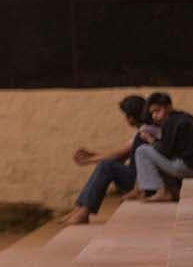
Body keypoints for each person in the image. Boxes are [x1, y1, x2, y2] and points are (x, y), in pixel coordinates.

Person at [57, 95, 153, 225]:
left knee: (106, 166)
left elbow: (118, 155)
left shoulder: (145, 132)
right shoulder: (142, 131)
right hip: (138, 177)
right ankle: (79, 209)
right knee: (106, 165)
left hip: (141, 181)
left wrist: (89, 160)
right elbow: (120, 155)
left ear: (130, 118)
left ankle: (84, 211)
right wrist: (92, 155)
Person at [135, 92, 193, 202]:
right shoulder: (181, 117)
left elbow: (165, 151)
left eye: (157, 111)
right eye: (152, 113)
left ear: (168, 107)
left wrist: (149, 139)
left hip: (191, 168)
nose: (154, 116)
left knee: (142, 151)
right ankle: (171, 190)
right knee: (156, 154)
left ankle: (160, 191)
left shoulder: (170, 122)